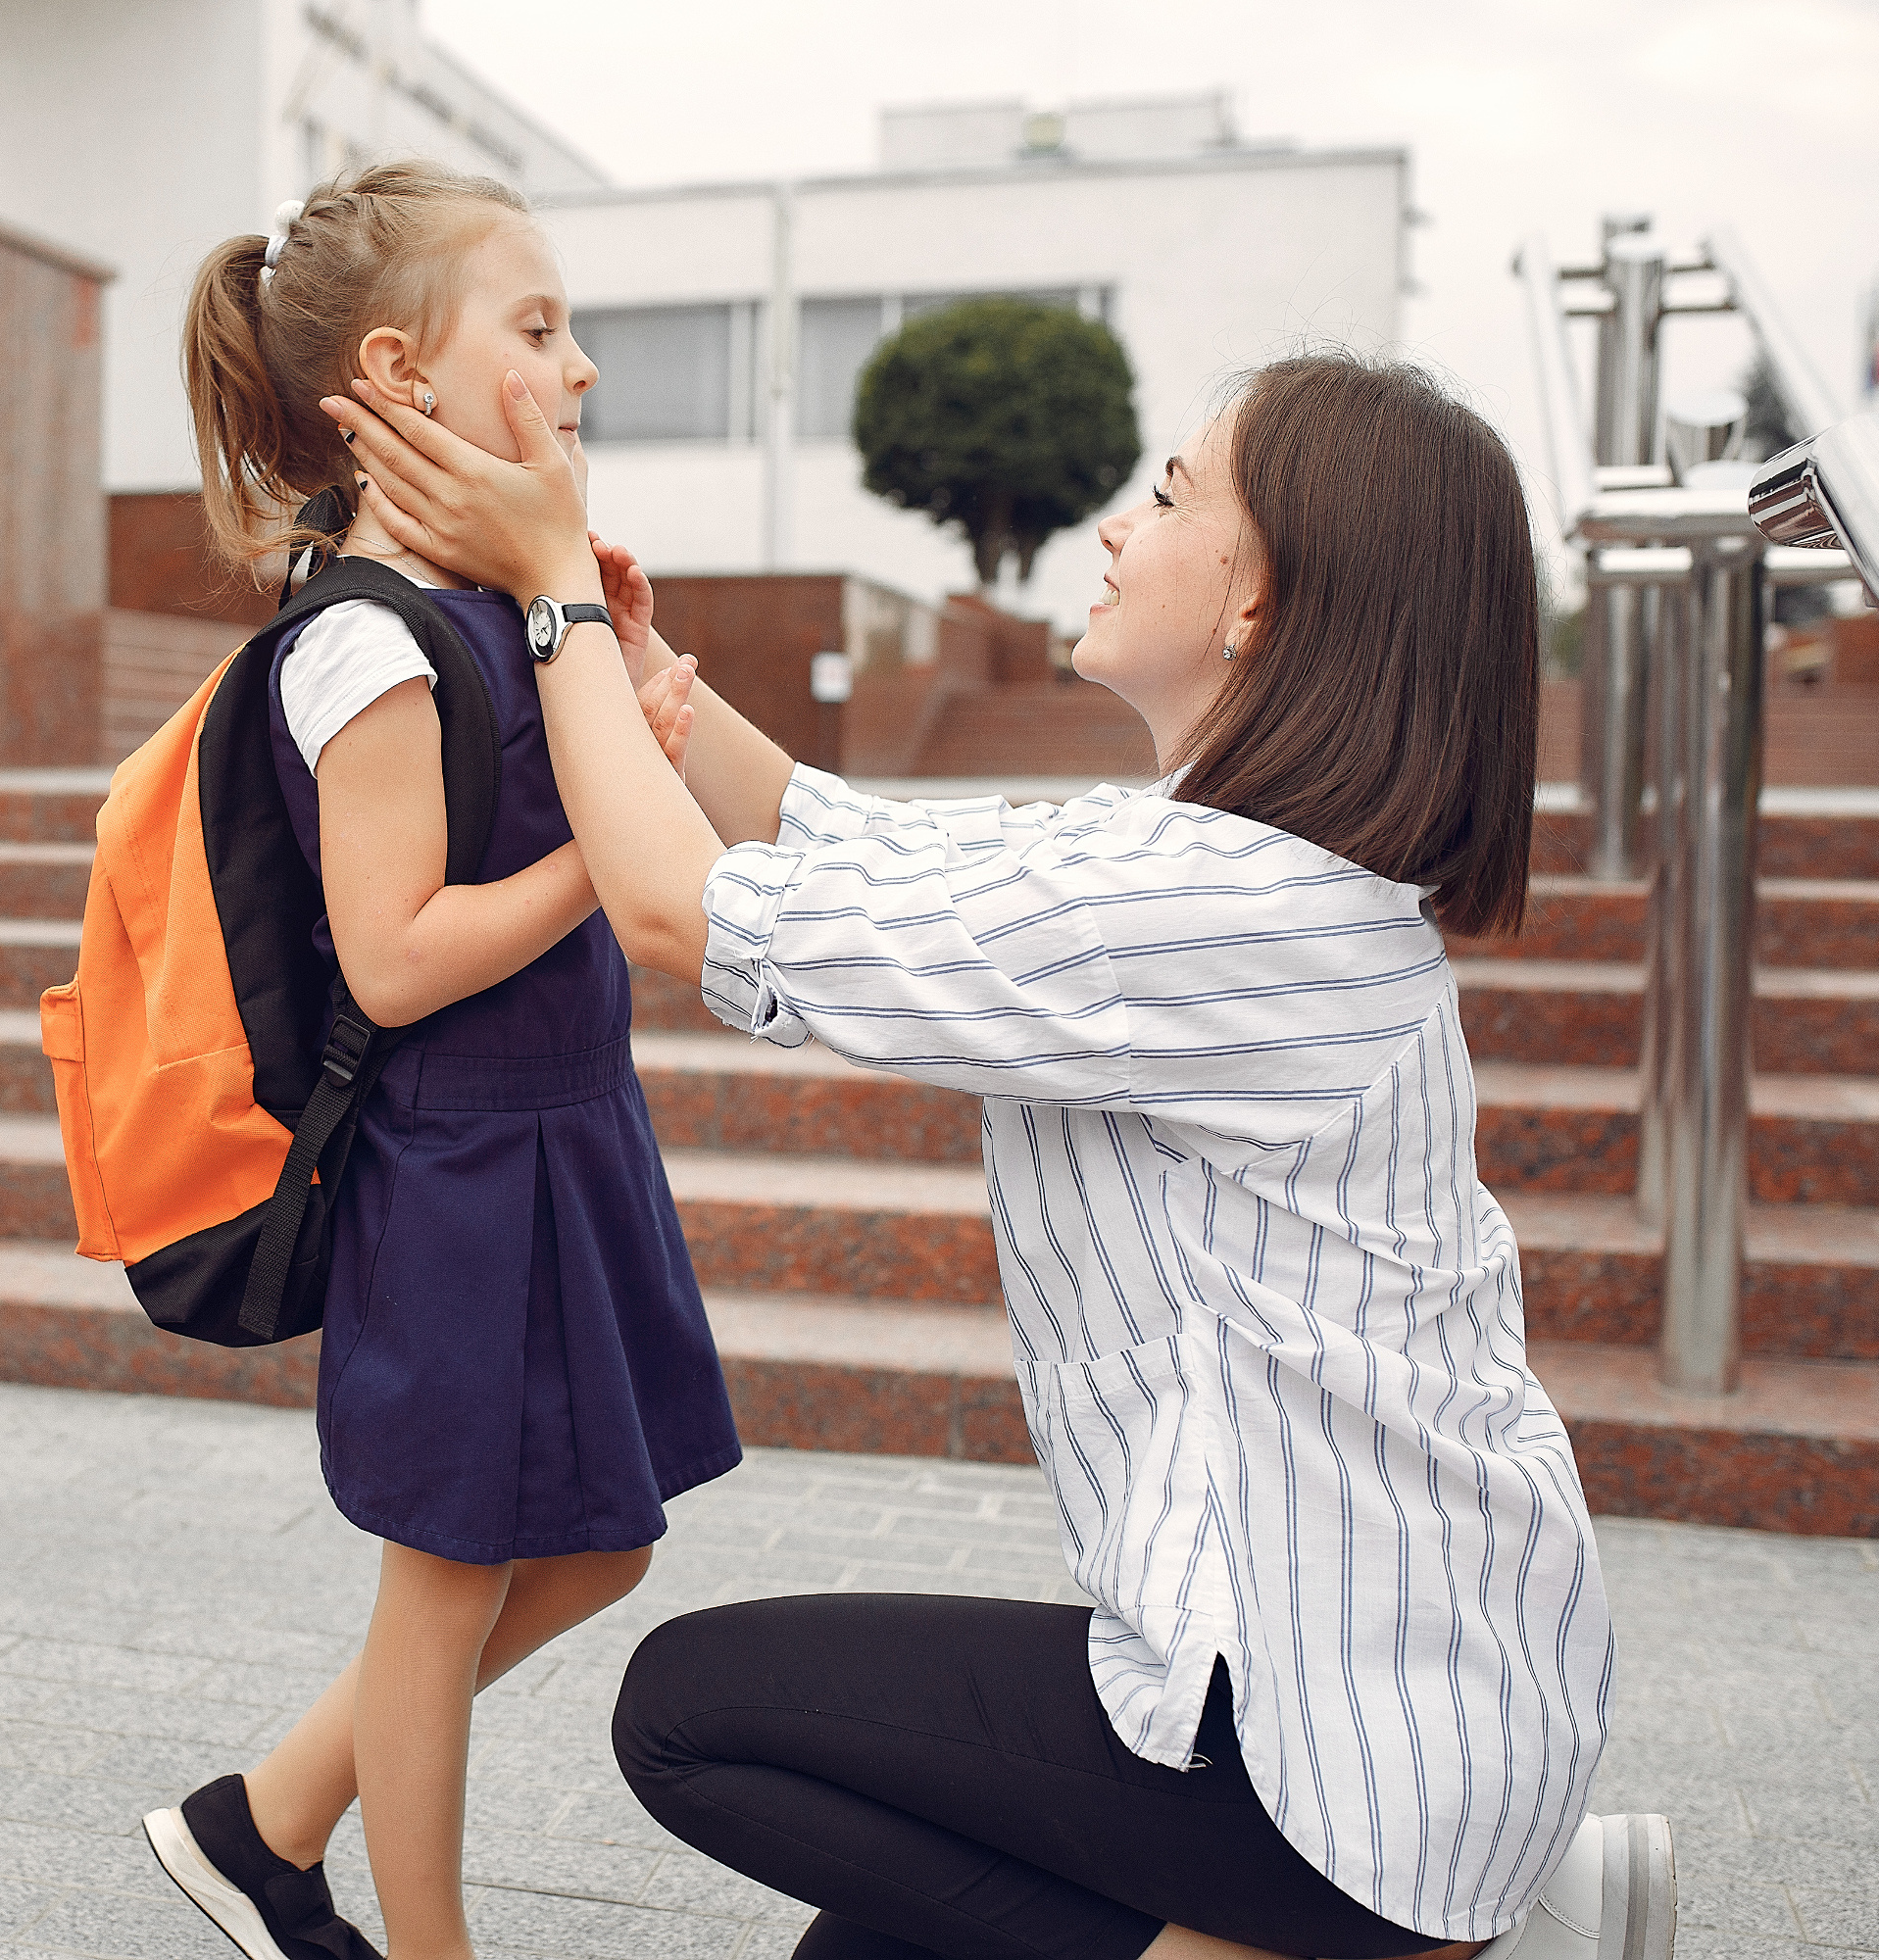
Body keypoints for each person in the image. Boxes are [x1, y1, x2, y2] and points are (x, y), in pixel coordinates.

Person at [318, 350, 1669, 1960]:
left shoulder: (1216, 908)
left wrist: (554, 603)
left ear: (1259, 602)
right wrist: (636, 649)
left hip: (1339, 1743)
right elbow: (837, 837)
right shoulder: (1213, 863)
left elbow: (691, 913)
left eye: (1169, 495)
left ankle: (1360, 1943)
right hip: (1407, 1674)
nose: (1117, 526)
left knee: (694, 1714)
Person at [137, 163, 742, 1960]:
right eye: (538, 329)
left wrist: (617, 677)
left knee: (601, 1545)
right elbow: (394, 964)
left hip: (568, 1138)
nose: (576, 372)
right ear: (398, 374)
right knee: (447, 1579)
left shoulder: (503, 598)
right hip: (461, 1170)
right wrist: (605, 856)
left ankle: (265, 1822)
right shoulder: (361, 647)